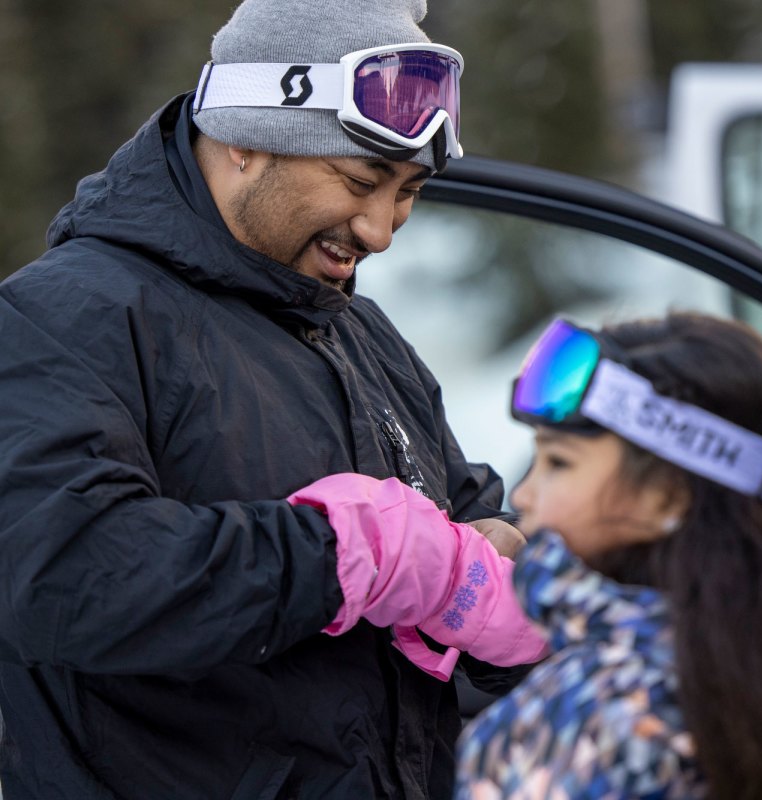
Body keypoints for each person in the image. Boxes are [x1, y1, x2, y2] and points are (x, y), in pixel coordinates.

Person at [0, 1, 548, 798]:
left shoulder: (360, 333)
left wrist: (514, 586)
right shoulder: (64, 318)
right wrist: (339, 555)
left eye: (409, 191)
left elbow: (461, 532)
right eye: (362, 180)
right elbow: (59, 576)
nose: (382, 229)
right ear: (246, 139)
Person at [454, 312, 762, 799]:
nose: (525, 494)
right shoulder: (756, 648)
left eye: (558, 462)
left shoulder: (595, 721)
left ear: (665, 496)